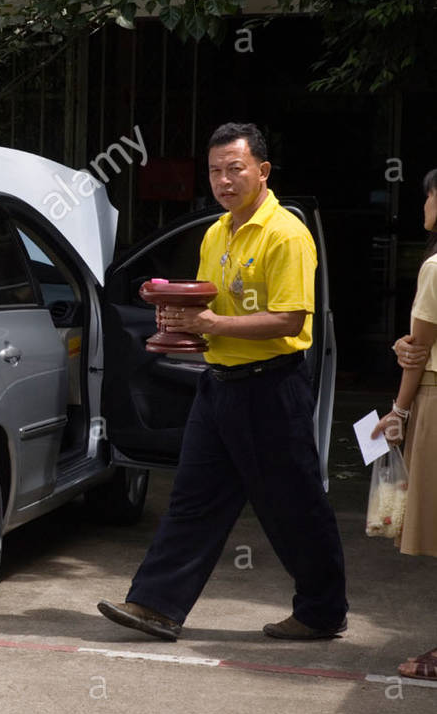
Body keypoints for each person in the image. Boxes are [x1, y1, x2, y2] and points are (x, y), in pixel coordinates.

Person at [97, 122, 348, 641]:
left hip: (272, 386)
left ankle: (323, 611)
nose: (224, 181)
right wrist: (168, 303)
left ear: (263, 170)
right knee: (192, 498)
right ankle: (156, 605)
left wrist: (211, 326)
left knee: (293, 505)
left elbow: (290, 320)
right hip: (221, 383)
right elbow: (209, 302)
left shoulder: (286, 233)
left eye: (235, 169)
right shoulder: (216, 231)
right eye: (215, 171)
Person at [372, 169, 437, 679]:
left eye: (429, 195)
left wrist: (400, 411)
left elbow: (417, 352)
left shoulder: (435, 267)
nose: (424, 206)